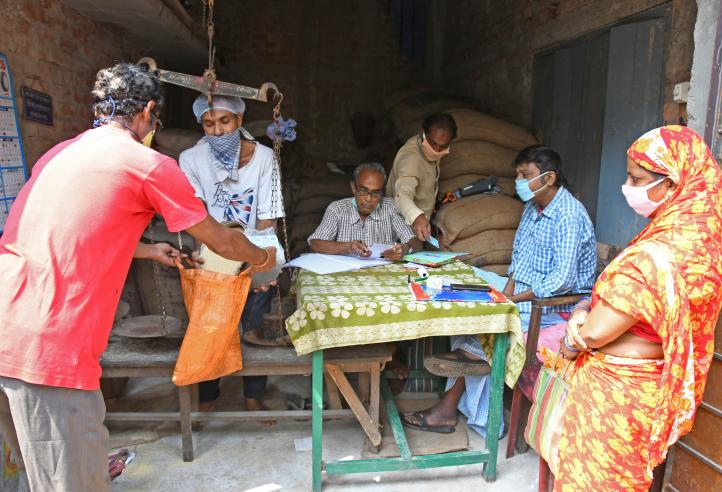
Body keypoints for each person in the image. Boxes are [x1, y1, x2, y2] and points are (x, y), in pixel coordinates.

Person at [0, 62, 276, 492]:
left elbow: (74, 230)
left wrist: (149, 250)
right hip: (49, 347)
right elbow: (221, 240)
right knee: (66, 482)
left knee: (32, 475)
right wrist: (262, 259)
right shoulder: (147, 163)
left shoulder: (61, 153)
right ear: (148, 111)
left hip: (7, 325)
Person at [556, 126, 722, 491]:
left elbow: (596, 332)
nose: (627, 186)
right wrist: (587, 306)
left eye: (637, 179)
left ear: (673, 184)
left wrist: (574, 333)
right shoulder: (704, 246)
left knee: (597, 481)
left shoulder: (658, 253)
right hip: (647, 388)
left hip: (618, 395)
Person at [402, 145, 596, 437]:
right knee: (467, 293)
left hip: (554, 305)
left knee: (488, 322)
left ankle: (460, 386)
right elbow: (519, 256)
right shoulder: (533, 208)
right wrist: (507, 290)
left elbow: (563, 280)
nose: (518, 180)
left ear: (549, 178)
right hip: (524, 294)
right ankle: (466, 363)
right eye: (517, 173)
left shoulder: (569, 215)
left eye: (525, 174)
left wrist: (513, 299)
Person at [179, 94, 284, 418]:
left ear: (239, 120)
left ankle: (253, 397)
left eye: (225, 121)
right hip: (214, 249)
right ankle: (208, 398)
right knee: (211, 326)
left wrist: (261, 265)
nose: (218, 130)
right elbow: (195, 215)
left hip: (255, 246)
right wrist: (219, 257)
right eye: (209, 124)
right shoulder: (191, 159)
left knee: (253, 326)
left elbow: (267, 218)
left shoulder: (265, 157)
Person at [309, 162, 421, 260]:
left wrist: (405, 249)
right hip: (345, 275)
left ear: (382, 192)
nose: (368, 199)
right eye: (363, 190)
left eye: (376, 193)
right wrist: (348, 247)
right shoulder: (337, 209)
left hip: (382, 274)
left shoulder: (391, 207)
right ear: (353, 188)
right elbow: (315, 244)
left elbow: (415, 242)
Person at [386, 113, 457, 241]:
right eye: (432, 143)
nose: (436, 150)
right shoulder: (411, 159)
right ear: (424, 133)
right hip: (398, 232)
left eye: (443, 146)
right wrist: (417, 217)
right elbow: (402, 196)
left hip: (419, 229)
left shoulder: (425, 146)